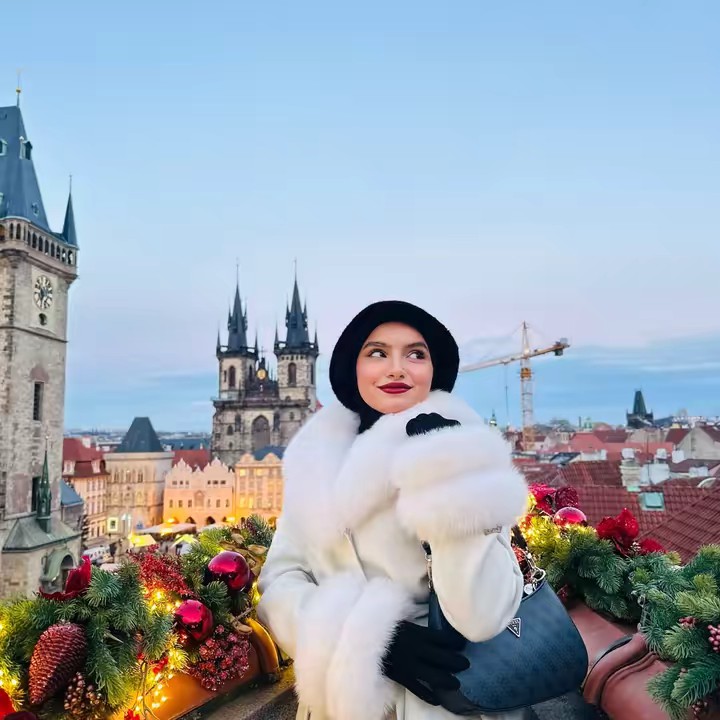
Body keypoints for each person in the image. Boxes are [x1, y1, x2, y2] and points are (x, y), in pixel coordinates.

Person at [257, 301, 529, 720]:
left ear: (434, 369)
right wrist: (364, 638)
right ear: (354, 366)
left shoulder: (466, 451)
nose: (397, 369)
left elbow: (483, 617)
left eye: (416, 354)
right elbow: (280, 579)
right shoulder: (316, 458)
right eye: (378, 353)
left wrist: (449, 479)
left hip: (442, 703)